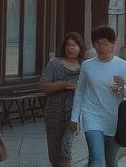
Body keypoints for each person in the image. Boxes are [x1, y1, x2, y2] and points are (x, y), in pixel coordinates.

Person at [69, 25, 126, 167]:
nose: (101, 48)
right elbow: (80, 91)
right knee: (97, 157)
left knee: (111, 161)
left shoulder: (122, 65)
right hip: (92, 115)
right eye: (97, 44)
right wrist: (74, 118)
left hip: (115, 118)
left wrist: (121, 88)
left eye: (105, 44)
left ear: (113, 44)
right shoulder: (87, 66)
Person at [39, 32, 84, 167]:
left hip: (74, 115)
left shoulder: (85, 66)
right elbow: (43, 86)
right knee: (54, 153)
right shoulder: (54, 64)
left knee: (66, 147)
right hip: (54, 113)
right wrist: (63, 85)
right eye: (68, 45)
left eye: (74, 45)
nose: (70, 48)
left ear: (80, 47)